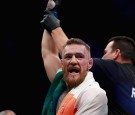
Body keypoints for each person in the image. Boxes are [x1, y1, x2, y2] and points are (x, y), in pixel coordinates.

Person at [40, 9, 135, 114]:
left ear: (116, 53)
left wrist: (53, 24)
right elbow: (50, 55)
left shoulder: (112, 68)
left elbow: (71, 52)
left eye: (105, 52)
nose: (102, 57)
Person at [41, 29, 108, 115]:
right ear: (62, 64)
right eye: (68, 57)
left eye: (79, 57)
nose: (73, 61)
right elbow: (49, 53)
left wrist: (55, 27)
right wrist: (49, 23)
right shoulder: (60, 82)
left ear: (90, 63)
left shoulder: (95, 94)